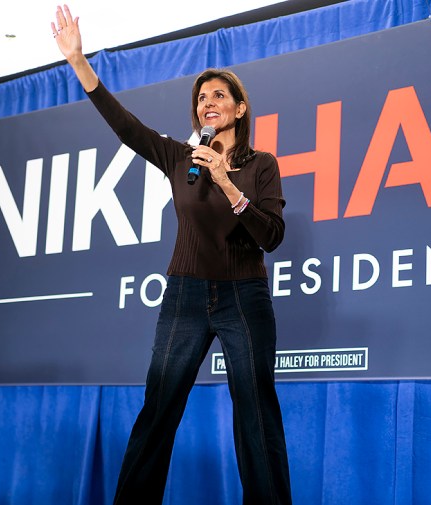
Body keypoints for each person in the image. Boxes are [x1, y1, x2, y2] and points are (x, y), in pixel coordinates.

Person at [53, 5, 292, 504]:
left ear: (240, 109)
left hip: (244, 300)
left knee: (255, 413)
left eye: (219, 95)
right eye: (201, 97)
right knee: (158, 409)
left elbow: (271, 235)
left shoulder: (261, 165)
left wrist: (226, 182)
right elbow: (126, 127)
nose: (208, 102)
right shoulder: (179, 157)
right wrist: (79, 63)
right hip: (184, 296)